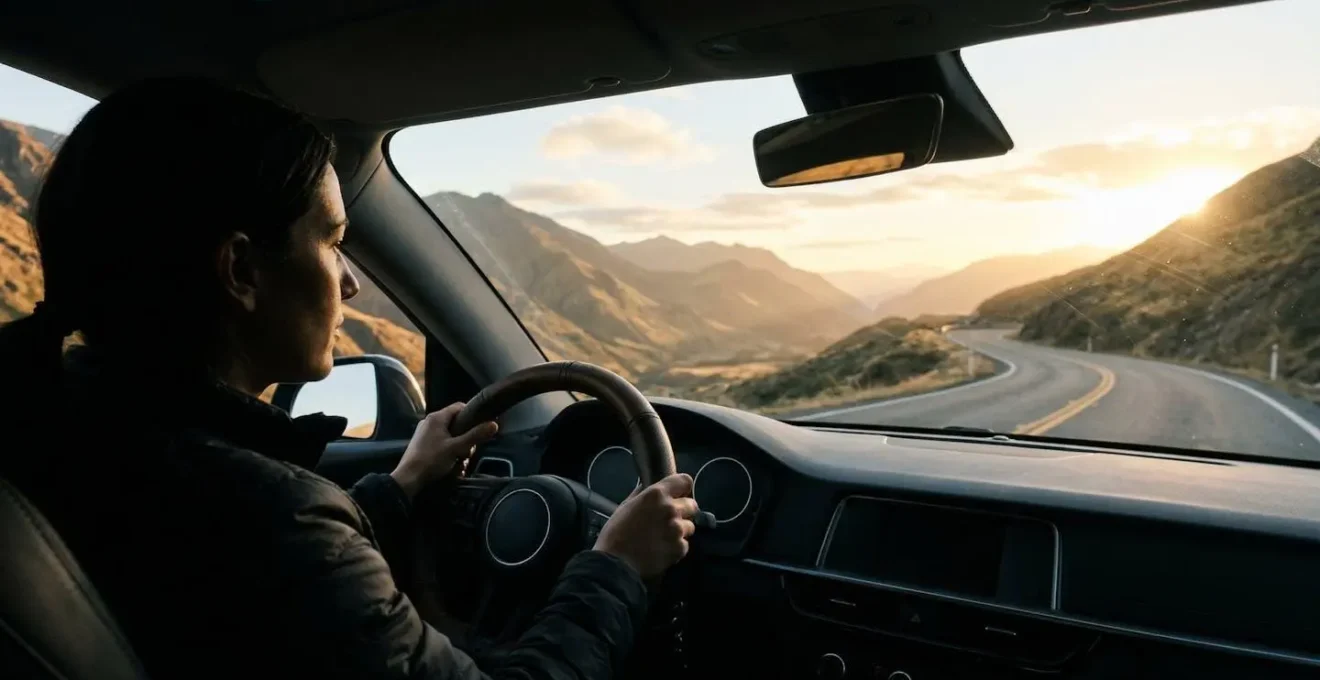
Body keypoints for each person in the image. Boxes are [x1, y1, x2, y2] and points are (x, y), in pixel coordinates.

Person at [0, 77, 700, 678]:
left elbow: (273, 577)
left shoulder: (56, 424)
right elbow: (281, 550)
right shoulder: (268, 517)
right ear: (242, 270)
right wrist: (616, 568)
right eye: (333, 242)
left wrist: (400, 488)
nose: (352, 283)